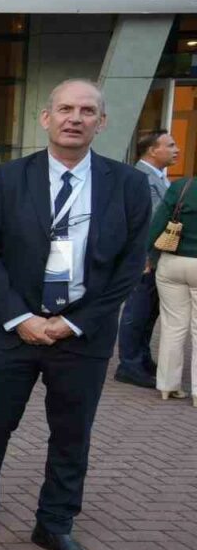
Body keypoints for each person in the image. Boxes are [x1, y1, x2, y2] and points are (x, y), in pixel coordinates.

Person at [0, 80, 150, 550]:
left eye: (87, 111)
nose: (74, 118)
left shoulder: (127, 185)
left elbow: (128, 268)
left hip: (82, 335)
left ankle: (55, 523)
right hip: (9, 331)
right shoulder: (10, 178)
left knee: (72, 434)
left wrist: (73, 323)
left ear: (101, 122)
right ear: (46, 118)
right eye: (65, 108)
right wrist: (22, 319)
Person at [114, 129, 180, 388]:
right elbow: (151, 219)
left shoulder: (159, 177)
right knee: (137, 310)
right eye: (170, 145)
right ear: (153, 150)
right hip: (143, 259)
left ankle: (141, 358)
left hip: (155, 257)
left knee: (149, 311)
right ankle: (129, 365)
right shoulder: (140, 177)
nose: (176, 150)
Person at [150, 174, 197, 402]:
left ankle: (167, 386)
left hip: (172, 262)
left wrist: (149, 255)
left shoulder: (182, 186)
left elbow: (157, 223)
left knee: (172, 327)